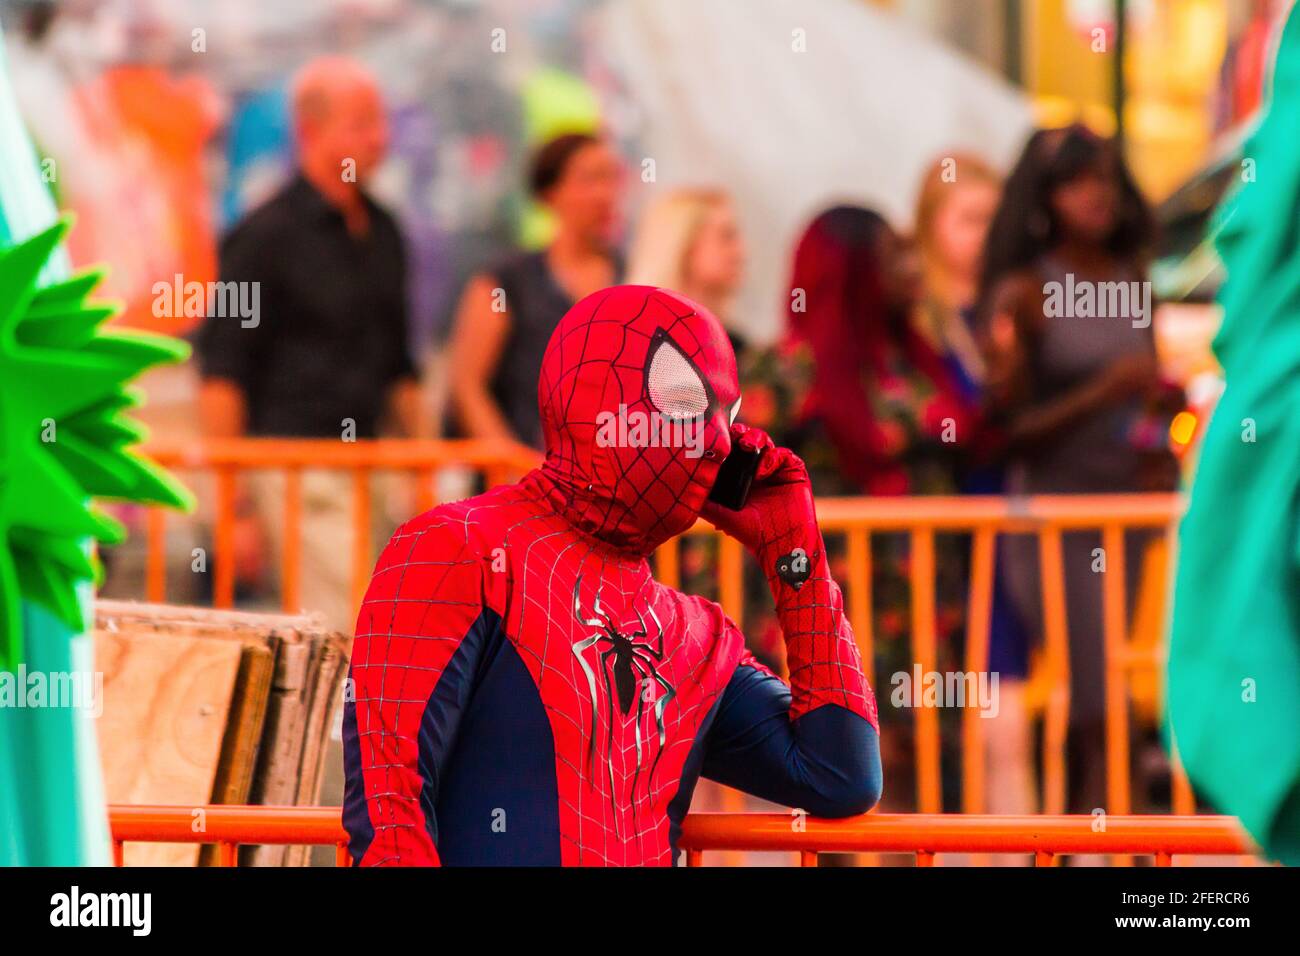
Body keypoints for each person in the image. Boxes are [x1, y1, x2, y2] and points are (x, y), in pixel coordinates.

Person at [342, 285, 881, 865]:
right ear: (602, 405)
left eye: (728, 416)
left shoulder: (695, 636)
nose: (719, 442)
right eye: (683, 403)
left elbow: (841, 774)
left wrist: (793, 552)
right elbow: (389, 807)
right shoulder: (459, 549)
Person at [977, 124, 1181, 818]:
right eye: (1074, 181)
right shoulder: (1025, 292)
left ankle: (1104, 839)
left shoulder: (1134, 279)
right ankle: (1100, 841)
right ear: (1045, 197)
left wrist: (1158, 431)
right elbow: (1008, 431)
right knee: (1096, 699)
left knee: (1115, 688)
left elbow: (1147, 391)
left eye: (1104, 177)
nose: (1095, 194)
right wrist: (1105, 390)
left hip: (1131, 511)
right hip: (1057, 520)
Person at [195, 57, 420, 632]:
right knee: (343, 634)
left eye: (380, 123)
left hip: (372, 471)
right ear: (309, 132)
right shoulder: (263, 237)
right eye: (361, 124)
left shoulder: (385, 231)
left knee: (386, 632)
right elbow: (223, 374)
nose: (379, 139)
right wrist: (233, 508)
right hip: (295, 470)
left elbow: (400, 367)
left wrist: (423, 474)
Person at [448, 132, 623, 449]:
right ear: (550, 193)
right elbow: (467, 386)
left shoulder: (634, 280)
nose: (605, 195)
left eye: (612, 179)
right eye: (591, 179)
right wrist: (516, 467)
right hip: (521, 475)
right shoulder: (505, 283)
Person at [626, 187, 749, 354]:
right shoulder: (635, 340)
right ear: (682, 245)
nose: (740, 251)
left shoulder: (735, 347)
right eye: (726, 236)